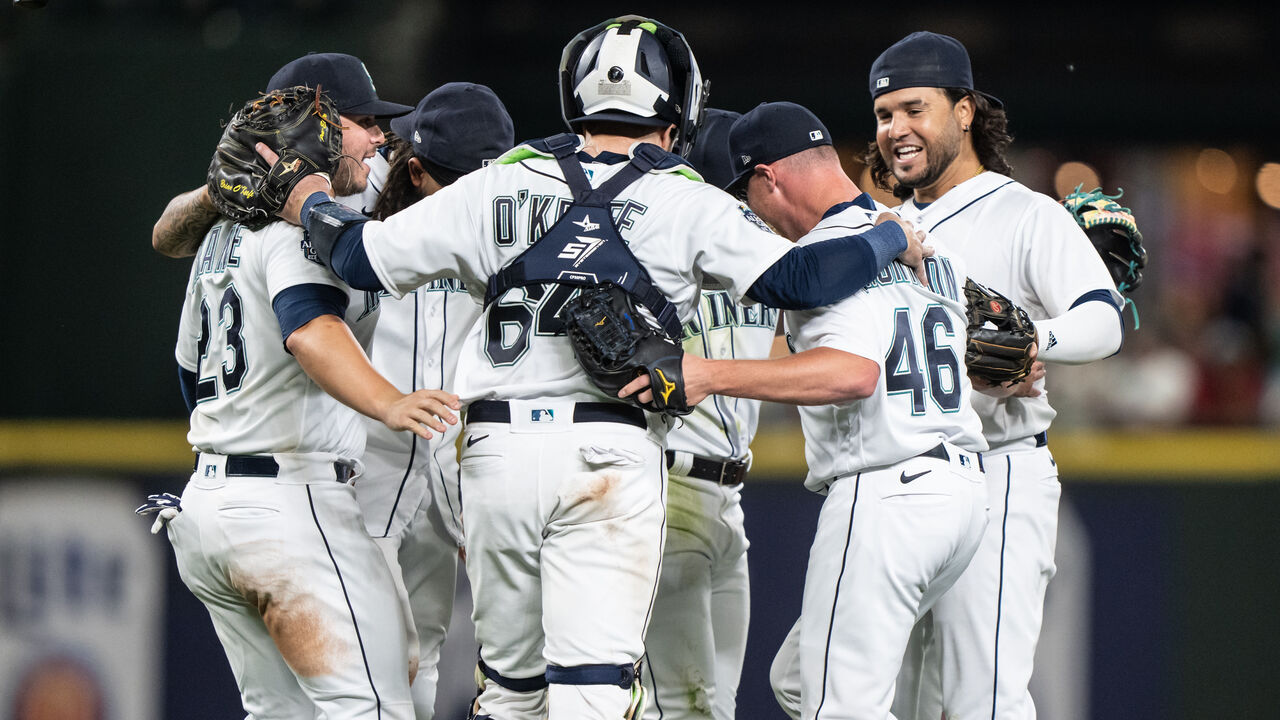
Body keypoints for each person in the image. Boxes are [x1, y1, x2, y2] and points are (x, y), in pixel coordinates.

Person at [262, 16, 929, 720]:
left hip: (496, 451)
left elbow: (358, 257)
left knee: (513, 696)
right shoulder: (687, 199)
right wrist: (888, 233)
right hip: (609, 453)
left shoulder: (499, 183)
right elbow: (803, 280)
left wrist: (307, 201)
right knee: (592, 692)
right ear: (677, 116)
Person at [625, 99, 991, 720]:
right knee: (798, 682)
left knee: (836, 707)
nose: (749, 216)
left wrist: (709, 374)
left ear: (767, 178)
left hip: (888, 493)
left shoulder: (829, 253)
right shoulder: (915, 239)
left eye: (746, 195)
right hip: (962, 496)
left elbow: (852, 372)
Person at [152, 82, 460, 719]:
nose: (379, 139)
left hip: (209, 505)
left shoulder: (217, 238)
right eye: (362, 125)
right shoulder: (294, 233)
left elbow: (189, 369)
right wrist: (387, 402)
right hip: (288, 505)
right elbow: (309, 328)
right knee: (374, 709)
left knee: (281, 715)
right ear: (310, 144)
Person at [865, 32, 1125, 720]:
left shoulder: (1025, 213)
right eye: (885, 114)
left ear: (965, 110)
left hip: (998, 472)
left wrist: (1034, 338)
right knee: (852, 688)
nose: (896, 129)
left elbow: (1103, 320)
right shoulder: (883, 227)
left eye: (914, 109)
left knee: (983, 699)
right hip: (902, 479)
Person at [359, 82, 515, 720]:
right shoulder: (360, 189)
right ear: (414, 167)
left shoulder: (518, 202)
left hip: (451, 454)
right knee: (351, 663)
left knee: (420, 656)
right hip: (365, 457)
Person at [638, 107, 776, 720]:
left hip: (728, 498)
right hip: (668, 486)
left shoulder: (766, 258)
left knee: (714, 703)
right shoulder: (656, 255)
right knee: (687, 705)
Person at [151, 52, 410, 258]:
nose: (378, 136)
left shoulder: (385, 168)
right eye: (364, 121)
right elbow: (164, 240)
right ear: (312, 125)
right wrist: (217, 192)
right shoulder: (257, 191)